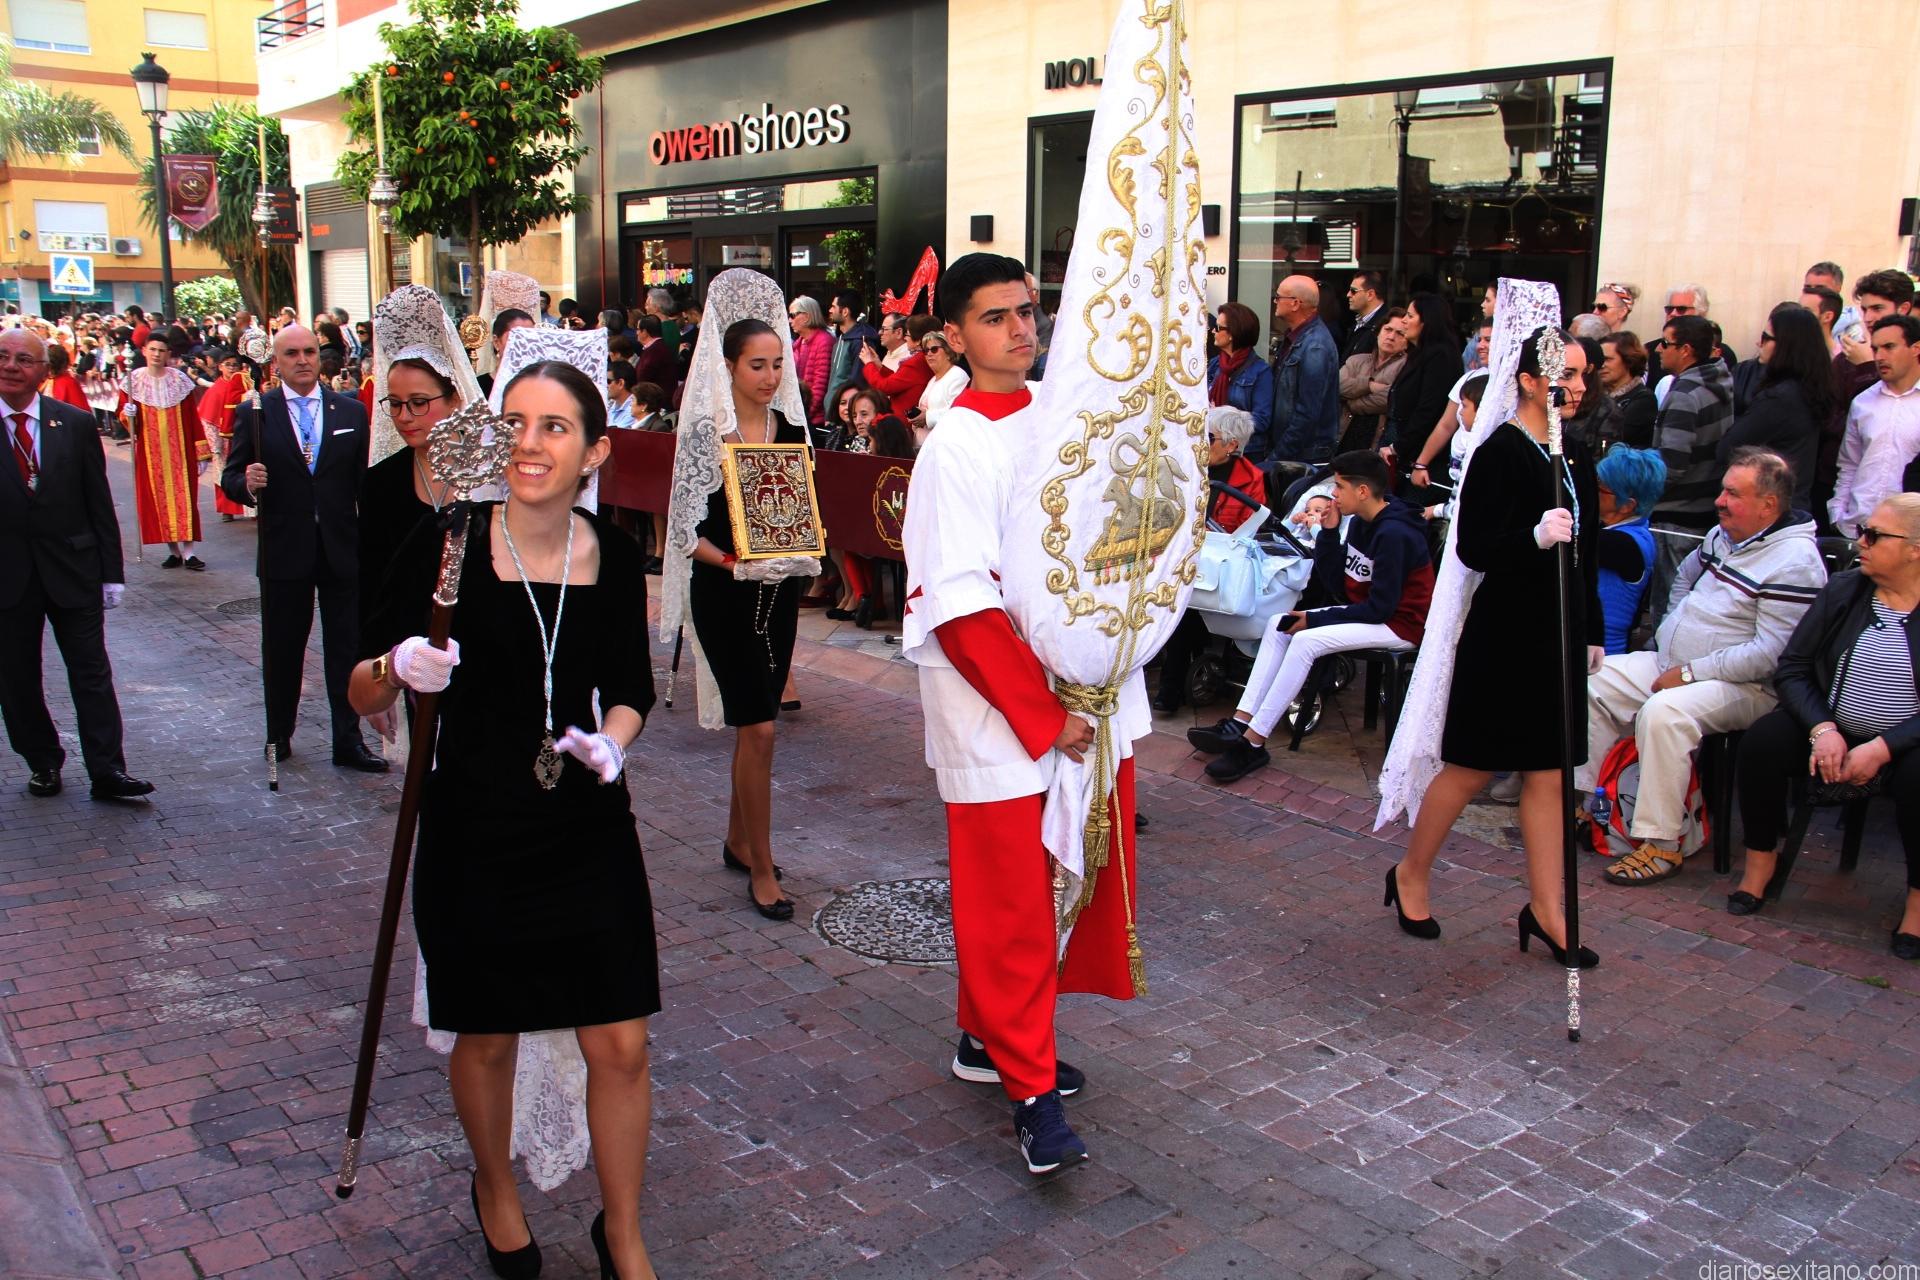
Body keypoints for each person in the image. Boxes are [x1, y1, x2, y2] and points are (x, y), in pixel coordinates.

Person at [349, 361, 661, 1280]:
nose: (529, 443)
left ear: (594, 451)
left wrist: (612, 743)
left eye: (554, 427)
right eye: (515, 422)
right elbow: (358, 685)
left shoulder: (615, 556)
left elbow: (632, 689)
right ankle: (494, 1188)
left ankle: (623, 1231)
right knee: (485, 1035)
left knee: (622, 1042)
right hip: (474, 826)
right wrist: (398, 667)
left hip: (586, 826)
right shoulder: (447, 541)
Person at [900, 252, 1129, 1175]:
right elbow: (959, 603)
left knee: (1054, 878)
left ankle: (982, 1038)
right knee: (1010, 902)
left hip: (1071, 691)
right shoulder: (953, 447)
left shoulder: (1057, 415)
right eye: (995, 318)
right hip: (995, 709)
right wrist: (1042, 715)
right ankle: (1031, 1095)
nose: (1020, 330)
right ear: (955, 335)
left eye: (1027, 312)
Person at [1388, 321, 1602, 967]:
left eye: (1583, 374)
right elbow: (1475, 548)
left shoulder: (1576, 454)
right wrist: (1532, 536)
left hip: (1558, 633)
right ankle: (1411, 872)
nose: (1578, 386)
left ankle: (1547, 908)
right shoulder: (1499, 451)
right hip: (1506, 632)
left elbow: (1587, 555)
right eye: (1566, 374)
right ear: (1530, 381)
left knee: (1550, 772)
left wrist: (1592, 629)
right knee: (1473, 765)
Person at [1588, 448, 1826, 886]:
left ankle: (1662, 843)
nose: (1719, 501)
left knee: (1665, 713)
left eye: (1733, 493)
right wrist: (1672, 631)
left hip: (1749, 688)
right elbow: (1682, 578)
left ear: (1768, 505)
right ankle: (1596, 810)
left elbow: (1770, 654)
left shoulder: (1797, 563)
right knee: (1591, 682)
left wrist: (1690, 672)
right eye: (1722, 490)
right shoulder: (1723, 534)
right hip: (1675, 664)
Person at [661, 273, 816, 923]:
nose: (770, 376)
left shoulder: (791, 429)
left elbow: (799, 515)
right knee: (759, 726)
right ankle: (761, 866)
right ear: (727, 367)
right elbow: (681, 532)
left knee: (757, 728)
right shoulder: (705, 434)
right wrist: (733, 562)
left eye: (778, 363)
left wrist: (800, 551)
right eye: (758, 365)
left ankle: (736, 838)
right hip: (723, 598)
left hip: (778, 598)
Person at [1726, 495, 1920, 954]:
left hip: (1907, 743)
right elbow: (1792, 668)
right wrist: (1823, 729)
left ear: (1915, 549)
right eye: (1862, 531)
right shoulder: (1845, 591)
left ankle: (1918, 901)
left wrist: (1883, 747)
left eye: (1874, 535)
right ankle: (1761, 860)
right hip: (1832, 725)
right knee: (1764, 742)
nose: (1860, 542)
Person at [1190, 449, 1433, 783]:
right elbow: (1341, 588)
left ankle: (1253, 743)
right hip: (1372, 614)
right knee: (1279, 623)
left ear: (1363, 491)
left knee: (1305, 640)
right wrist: (1329, 533)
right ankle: (1241, 722)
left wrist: (1314, 619)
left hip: (1400, 624)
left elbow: (1381, 608)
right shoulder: (1360, 523)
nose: (1333, 494)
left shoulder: (1395, 534)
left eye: (1340, 487)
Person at [222, 325, 386, 773]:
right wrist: (245, 483)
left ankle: (348, 741)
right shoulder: (257, 412)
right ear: (276, 361)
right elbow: (231, 476)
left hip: (340, 549)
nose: (302, 360)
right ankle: (279, 734)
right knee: (283, 648)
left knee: (345, 649)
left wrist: (371, 545)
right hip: (284, 548)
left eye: (309, 351)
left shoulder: (350, 411)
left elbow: (363, 484)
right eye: (291, 353)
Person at [0, 329, 152, 802]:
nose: (10, 366)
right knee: (17, 678)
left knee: (91, 673)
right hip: (8, 577)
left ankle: (108, 771)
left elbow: (98, 501)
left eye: (23, 359)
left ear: (44, 372)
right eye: (2, 356)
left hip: (73, 568)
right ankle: (43, 761)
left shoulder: (74, 423)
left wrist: (111, 573)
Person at [355, 286, 481, 718]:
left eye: (419, 403)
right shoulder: (380, 483)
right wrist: (376, 677)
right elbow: (370, 585)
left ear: (455, 400)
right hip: (410, 661)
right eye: (395, 404)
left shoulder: (487, 473)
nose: (405, 416)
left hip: (484, 659)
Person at [1151, 405, 1268, 713]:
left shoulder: (1251, 479)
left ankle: (1170, 686)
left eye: (1209, 436)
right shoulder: (1187, 465)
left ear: (1231, 445)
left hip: (1216, 562)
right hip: (1177, 552)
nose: (1201, 441)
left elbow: (1246, 530)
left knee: (1185, 603)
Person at [1647, 314, 1736, 624]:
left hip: (1677, 517)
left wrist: (1641, 491)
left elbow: (1672, 465)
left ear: (1685, 350)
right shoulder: (1719, 379)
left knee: (1669, 606)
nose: (1658, 349)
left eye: (1665, 343)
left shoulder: (1685, 393)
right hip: (1702, 511)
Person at [1818, 270, 1915, 520]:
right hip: (1854, 516)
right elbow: (1837, 436)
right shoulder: (1846, 362)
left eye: (1878, 308)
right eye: (1864, 309)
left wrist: (1868, 367)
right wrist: (1838, 513)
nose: (1869, 318)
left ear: (1903, 308)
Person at [1719, 304, 1833, 512]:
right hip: (1788, 501)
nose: (1758, 343)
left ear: (1787, 346)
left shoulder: (1781, 397)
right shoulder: (1810, 387)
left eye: (1766, 337)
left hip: (1769, 507)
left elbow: (1729, 448)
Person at [122, 326, 209, 569]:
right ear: (144, 351)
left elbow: (192, 418)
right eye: (153, 350)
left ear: (168, 353)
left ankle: (189, 552)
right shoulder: (133, 381)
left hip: (180, 453)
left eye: (161, 350)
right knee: (157, 501)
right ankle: (174, 551)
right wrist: (127, 414)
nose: (157, 354)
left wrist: (201, 453)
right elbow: (127, 421)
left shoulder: (179, 381)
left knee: (186, 501)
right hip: (150, 454)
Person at [1829, 314, 1920, 538]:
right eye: (1875, 349)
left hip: (1908, 534)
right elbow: (1849, 464)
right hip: (1857, 527)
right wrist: (1837, 513)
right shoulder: (1863, 402)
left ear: (1916, 349)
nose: (1879, 357)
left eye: (1889, 347)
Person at [1383, 293, 1462, 487]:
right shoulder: (1418, 352)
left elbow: (1429, 410)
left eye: (1410, 316)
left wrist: (1399, 447)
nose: (1404, 320)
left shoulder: (1441, 356)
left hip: (1420, 456)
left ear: (1427, 321)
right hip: (1401, 444)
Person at [1593, 447, 1667, 655]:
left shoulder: (1624, 543)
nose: (1591, 488)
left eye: (1600, 487)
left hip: (1602, 657)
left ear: (1626, 505)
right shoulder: (1627, 531)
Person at [1261, 274, 1340, 464]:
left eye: (1278, 297)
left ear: (1295, 303)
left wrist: (1277, 456)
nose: (1275, 301)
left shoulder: (1315, 346)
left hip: (1303, 456)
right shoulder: (1295, 338)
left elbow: (1308, 412)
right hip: (1292, 452)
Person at [1336, 307, 1408, 453]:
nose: (1391, 337)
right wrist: (1369, 385)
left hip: (1376, 443)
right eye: (1388, 329)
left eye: (1400, 333)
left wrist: (1351, 402)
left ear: (1408, 341)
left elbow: (1390, 399)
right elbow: (1337, 386)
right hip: (1343, 438)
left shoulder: (1407, 367)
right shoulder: (1356, 360)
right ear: (1378, 332)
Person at [1206, 301, 1274, 446]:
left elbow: (1261, 420)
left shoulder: (1260, 371)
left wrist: (1223, 423)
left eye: (1218, 328)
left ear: (1232, 333)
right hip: (1215, 447)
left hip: (1244, 450)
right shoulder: (1215, 364)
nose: (1213, 331)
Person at [203, 354, 255, 522]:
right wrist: (215, 446)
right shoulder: (215, 389)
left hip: (242, 435)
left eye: (235, 365)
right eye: (228, 364)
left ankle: (252, 509)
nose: (232, 368)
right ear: (220, 367)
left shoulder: (244, 382)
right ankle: (227, 510)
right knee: (224, 472)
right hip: (223, 439)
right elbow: (207, 418)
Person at [859, 313, 936, 420]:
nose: (905, 338)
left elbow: (884, 387)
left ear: (918, 340)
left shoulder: (916, 362)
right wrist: (878, 365)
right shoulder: (920, 359)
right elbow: (898, 381)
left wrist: (868, 363)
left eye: (907, 334)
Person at [1598, 331, 1656, 448]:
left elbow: (1615, 438)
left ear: (1629, 360)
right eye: (1600, 360)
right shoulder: (1596, 396)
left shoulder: (1643, 399)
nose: (1602, 365)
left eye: (1608, 359)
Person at [825, 289, 877, 411]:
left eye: (833, 307)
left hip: (847, 412)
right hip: (835, 411)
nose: (830, 310)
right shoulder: (841, 338)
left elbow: (858, 381)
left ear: (845, 312)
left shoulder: (860, 341)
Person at [914, 331, 969, 442]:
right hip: (926, 444)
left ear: (948, 352)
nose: (929, 354)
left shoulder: (958, 375)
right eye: (926, 351)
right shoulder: (933, 380)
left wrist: (927, 417)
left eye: (934, 349)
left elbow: (959, 412)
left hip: (945, 444)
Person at [787, 295, 833, 427]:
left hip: (813, 419)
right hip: (799, 415)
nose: (789, 320)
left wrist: (805, 415)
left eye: (792, 315)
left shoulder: (824, 341)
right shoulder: (799, 342)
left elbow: (820, 385)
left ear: (806, 316)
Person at [476, 309, 536, 398]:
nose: (524, 345)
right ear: (496, 342)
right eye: (516, 338)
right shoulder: (479, 386)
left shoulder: (540, 384)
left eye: (529, 339)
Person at [1342, 269, 1388, 358]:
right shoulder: (1359, 323)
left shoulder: (1385, 326)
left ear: (1370, 294)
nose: (1348, 295)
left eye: (1353, 291)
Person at [630, 314, 676, 395]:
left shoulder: (655, 351)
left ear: (645, 332)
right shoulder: (656, 348)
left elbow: (642, 377)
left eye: (638, 329)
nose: (636, 333)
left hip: (657, 399)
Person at [606, 360, 639, 428]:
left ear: (621, 383)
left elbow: (615, 432)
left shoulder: (635, 409)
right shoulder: (609, 405)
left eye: (608, 381)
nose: (605, 385)